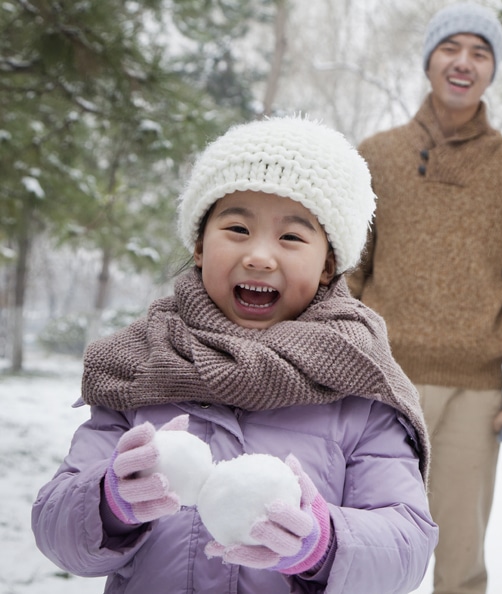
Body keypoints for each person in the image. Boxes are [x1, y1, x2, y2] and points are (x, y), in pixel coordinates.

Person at [31, 116, 438, 594]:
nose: (260, 256)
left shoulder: (359, 384)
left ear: (328, 264)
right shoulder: (141, 365)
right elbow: (55, 528)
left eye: (291, 237)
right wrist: (109, 501)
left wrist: (321, 544)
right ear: (201, 245)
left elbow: (407, 546)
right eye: (238, 228)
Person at [347, 3, 502, 593]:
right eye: (451, 48)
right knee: (369, 547)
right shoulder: (377, 153)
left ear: (491, 70)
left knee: (460, 562)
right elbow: (349, 272)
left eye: (480, 52)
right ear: (430, 60)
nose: (464, 63)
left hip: (475, 393)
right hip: (381, 383)